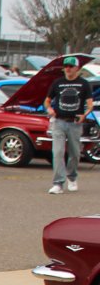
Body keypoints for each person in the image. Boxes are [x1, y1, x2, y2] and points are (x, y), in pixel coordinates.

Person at [45, 56, 93, 194]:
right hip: (59, 122)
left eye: (71, 66)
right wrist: (49, 109)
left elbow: (89, 104)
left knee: (75, 153)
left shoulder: (83, 84)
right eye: (66, 66)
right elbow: (47, 101)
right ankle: (58, 183)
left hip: (75, 123)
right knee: (58, 152)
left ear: (77, 68)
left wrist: (84, 115)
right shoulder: (58, 83)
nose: (68, 69)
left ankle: (71, 177)